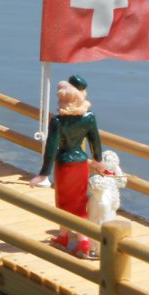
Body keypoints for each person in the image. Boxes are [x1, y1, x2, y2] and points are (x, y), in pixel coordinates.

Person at [30, 75, 104, 259]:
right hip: (81, 163)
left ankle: (75, 240)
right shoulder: (89, 118)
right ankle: (73, 240)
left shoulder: (58, 121)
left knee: (64, 202)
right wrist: (98, 160)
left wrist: (43, 174)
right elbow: (95, 140)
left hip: (64, 164)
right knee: (79, 202)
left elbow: (51, 147)